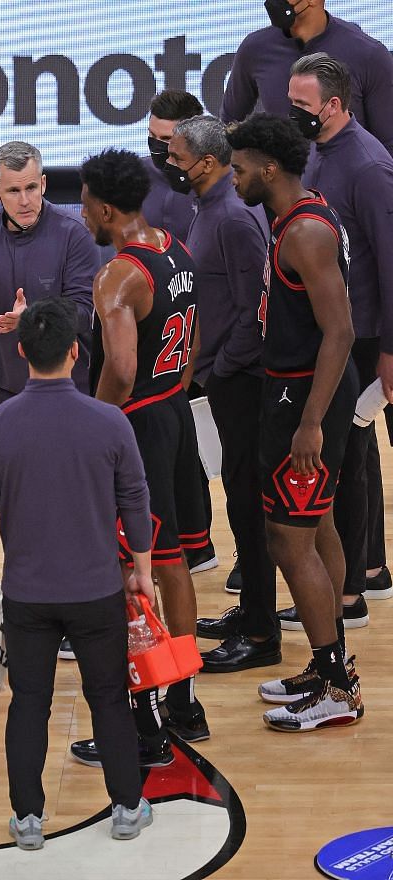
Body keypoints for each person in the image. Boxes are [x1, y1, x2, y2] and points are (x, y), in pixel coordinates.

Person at [0, 297, 153, 849]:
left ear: (21, 352)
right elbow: (135, 502)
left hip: (27, 598)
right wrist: (140, 571)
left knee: (30, 704)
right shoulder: (109, 422)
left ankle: (27, 821)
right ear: (75, 351)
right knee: (110, 698)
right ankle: (126, 809)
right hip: (97, 593)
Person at [71, 149, 210, 773]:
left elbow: (121, 370)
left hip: (136, 428)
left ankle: (143, 719)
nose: (81, 212)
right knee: (176, 560)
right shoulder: (174, 248)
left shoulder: (118, 276)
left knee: (135, 571)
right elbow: (194, 341)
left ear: (104, 207)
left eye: (83, 202)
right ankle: (184, 701)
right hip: (174, 413)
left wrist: (91, 425)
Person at [227, 113, 363, 730]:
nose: (234, 178)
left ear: (269, 168)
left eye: (239, 168)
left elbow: (341, 331)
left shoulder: (305, 231)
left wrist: (311, 423)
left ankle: (336, 686)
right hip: (299, 393)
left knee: (289, 539)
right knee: (319, 525)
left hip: (307, 399)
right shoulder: (293, 216)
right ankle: (327, 661)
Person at [274, 53, 393, 632]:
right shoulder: (321, 151)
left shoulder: (369, 167)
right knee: (349, 460)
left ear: (335, 105)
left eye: (301, 106)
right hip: (338, 329)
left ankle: (348, 596)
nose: (292, 114)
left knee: (342, 463)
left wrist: (391, 348)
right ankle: (367, 573)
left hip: (364, 334)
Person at [164, 116, 280, 672]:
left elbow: (253, 310)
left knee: (249, 503)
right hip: (219, 379)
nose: (170, 163)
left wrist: (219, 370)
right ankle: (253, 610)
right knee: (237, 499)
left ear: (208, 163)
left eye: (178, 155)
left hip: (238, 384)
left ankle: (262, 633)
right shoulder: (207, 208)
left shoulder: (233, 219)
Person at [0, 141, 98, 407]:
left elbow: (84, 315)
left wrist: (32, 318)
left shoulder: (75, 234)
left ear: (44, 183)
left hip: (71, 390)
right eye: (14, 191)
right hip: (6, 390)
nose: (25, 200)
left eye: (31, 187)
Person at [143, 90, 220, 579]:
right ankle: (185, 543)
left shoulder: (219, 194)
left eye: (168, 143)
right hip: (160, 339)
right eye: (151, 140)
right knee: (169, 444)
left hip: (212, 343)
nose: (158, 153)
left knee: (217, 452)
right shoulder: (141, 183)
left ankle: (220, 547)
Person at [221, 0, 393, 155]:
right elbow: (228, 125)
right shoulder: (255, 49)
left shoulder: (369, 54)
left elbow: (388, 146)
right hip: (284, 185)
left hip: (347, 182)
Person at [143, 89, 203, 243]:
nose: (156, 144)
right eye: (152, 135)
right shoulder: (134, 175)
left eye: (166, 138)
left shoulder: (215, 182)